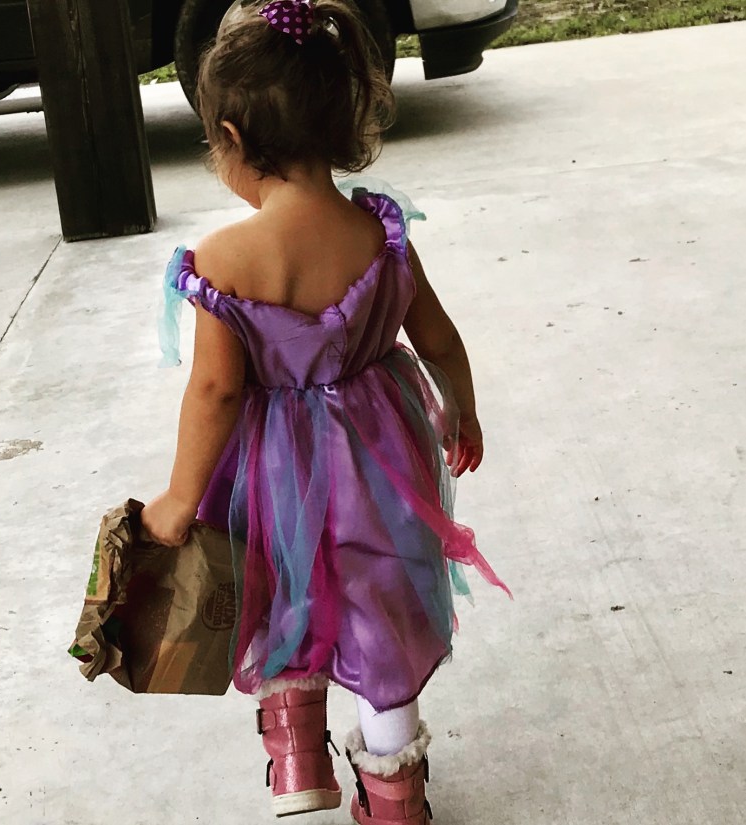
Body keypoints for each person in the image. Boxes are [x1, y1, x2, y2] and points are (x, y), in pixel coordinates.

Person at [141, 0, 511, 821]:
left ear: (231, 139)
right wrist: (462, 410)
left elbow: (216, 391)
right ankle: (394, 798)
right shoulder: (380, 236)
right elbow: (441, 338)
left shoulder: (223, 259)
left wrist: (176, 496)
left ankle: (296, 757)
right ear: (346, 118)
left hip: (270, 469)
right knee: (380, 612)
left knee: (277, 587)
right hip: (381, 461)